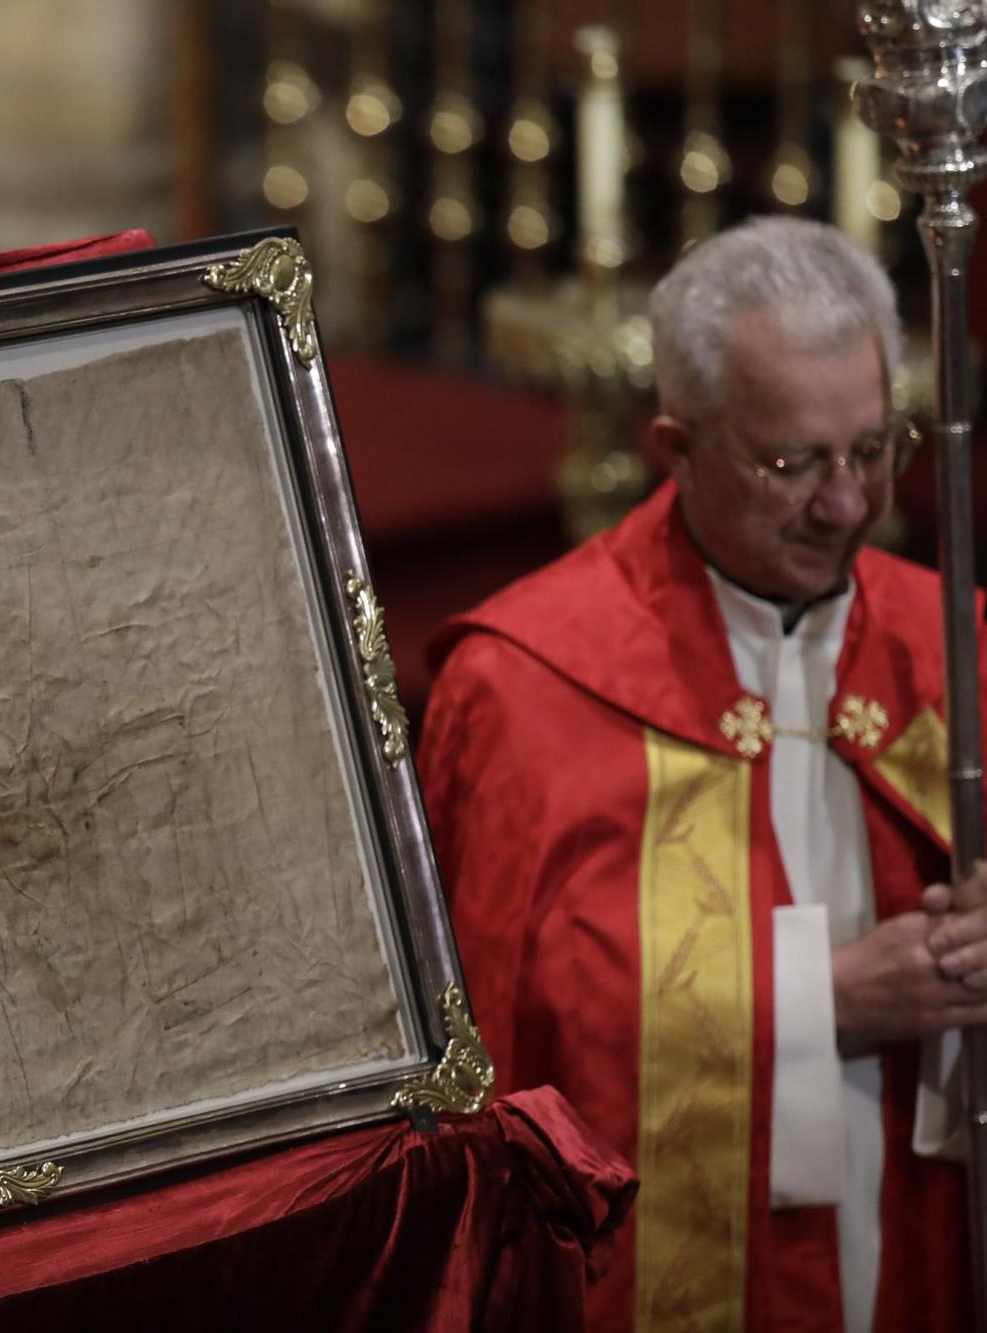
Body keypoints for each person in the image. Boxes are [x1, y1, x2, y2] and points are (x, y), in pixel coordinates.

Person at [418, 215, 987, 1332]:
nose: (844, 505)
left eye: (872, 449)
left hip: (917, 1228)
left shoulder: (956, 645)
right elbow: (490, 1041)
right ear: (673, 446)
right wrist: (819, 999)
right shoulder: (522, 685)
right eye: (791, 462)